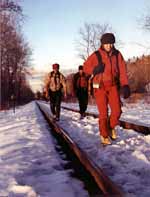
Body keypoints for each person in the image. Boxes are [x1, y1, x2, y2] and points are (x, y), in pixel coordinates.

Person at [83, 33, 130, 145]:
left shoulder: (117, 55)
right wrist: (95, 70)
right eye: (106, 43)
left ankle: (111, 127)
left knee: (117, 110)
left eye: (111, 43)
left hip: (113, 86)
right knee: (103, 113)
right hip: (100, 87)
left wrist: (125, 85)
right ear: (102, 43)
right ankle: (104, 135)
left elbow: (122, 71)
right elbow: (85, 68)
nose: (108, 46)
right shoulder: (96, 55)